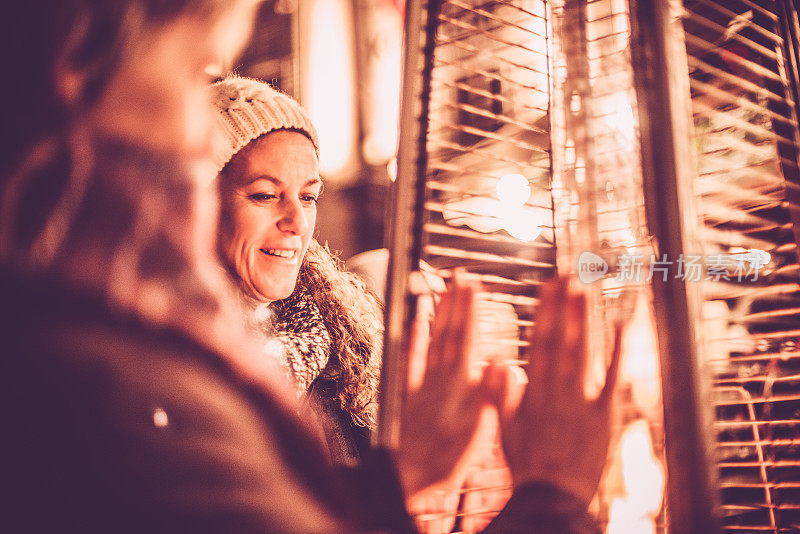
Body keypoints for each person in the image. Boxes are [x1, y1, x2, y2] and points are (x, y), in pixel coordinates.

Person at [0, 1, 621, 533]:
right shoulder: (111, 372)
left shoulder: (331, 354)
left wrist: (395, 479)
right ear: (75, 67)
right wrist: (554, 496)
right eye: (196, 74)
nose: (297, 221)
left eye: (310, 195)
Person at [209, 76, 382, 465]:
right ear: (199, 205)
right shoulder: (173, 371)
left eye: (308, 197)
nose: (298, 222)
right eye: (265, 195)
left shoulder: (341, 351)